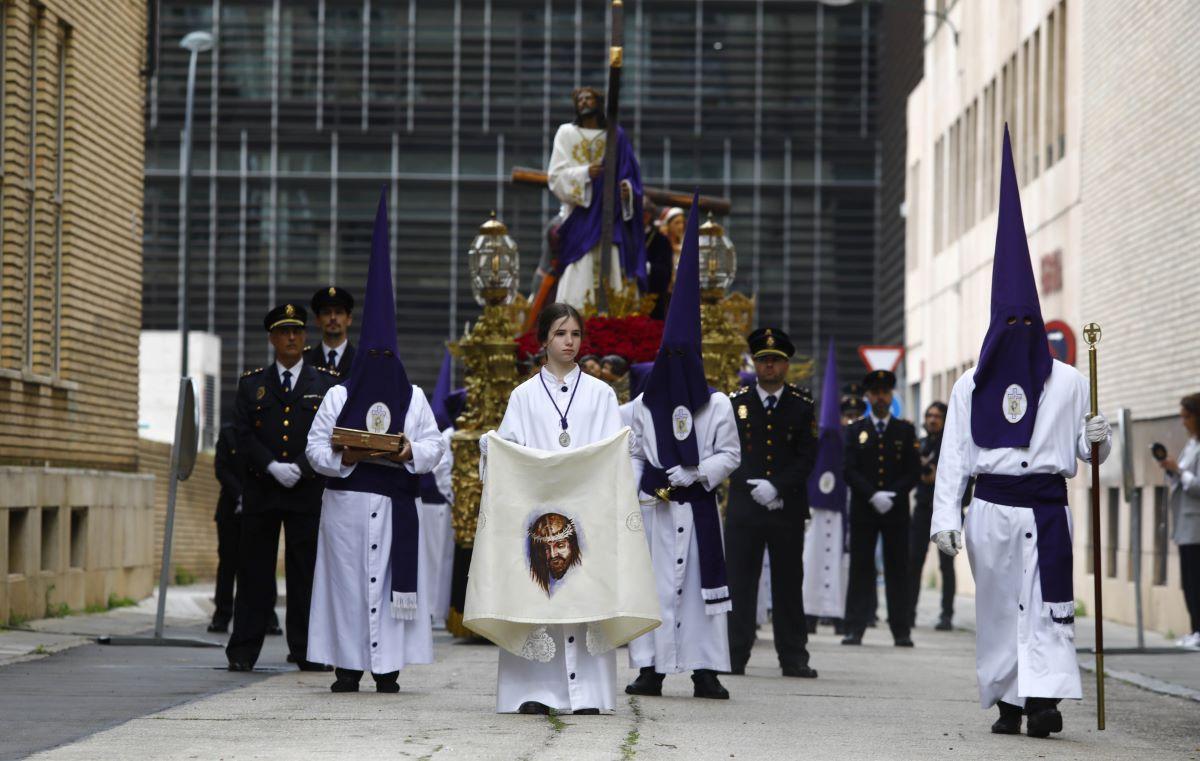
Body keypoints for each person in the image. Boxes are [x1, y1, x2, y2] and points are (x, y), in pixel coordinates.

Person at [931, 126, 1112, 738]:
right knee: (997, 608)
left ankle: (1044, 699)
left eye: (1024, 320)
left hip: (1045, 504)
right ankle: (1008, 698)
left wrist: (1099, 433)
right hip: (991, 507)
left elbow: (1090, 455)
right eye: (1006, 321)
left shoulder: (1066, 380)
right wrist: (944, 520)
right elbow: (954, 455)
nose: (1016, 328)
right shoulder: (968, 385)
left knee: (1045, 609)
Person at [305, 192, 446, 693]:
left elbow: (435, 447)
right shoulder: (340, 394)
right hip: (344, 505)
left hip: (394, 506)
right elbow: (315, 448)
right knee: (344, 587)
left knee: (390, 588)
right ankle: (346, 666)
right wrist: (343, 455)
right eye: (375, 353)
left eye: (390, 354)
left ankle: (387, 668)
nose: (382, 360)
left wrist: (409, 451)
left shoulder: (411, 396)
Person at [481, 302, 625, 714]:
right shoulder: (523, 396)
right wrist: (492, 450)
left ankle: (590, 696)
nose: (569, 342)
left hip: (587, 516)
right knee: (538, 598)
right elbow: (508, 452)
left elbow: (612, 453)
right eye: (561, 334)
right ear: (544, 338)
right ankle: (534, 692)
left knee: (584, 599)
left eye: (576, 335)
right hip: (537, 518)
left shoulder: (601, 394)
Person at [625, 200, 741, 701]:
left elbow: (730, 454)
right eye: (666, 355)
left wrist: (699, 474)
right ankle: (649, 668)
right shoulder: (641, 406)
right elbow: (630, 452)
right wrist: (642, 483)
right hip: (655, 510)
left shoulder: (715, 405)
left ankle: (705, 669)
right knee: (650, 586)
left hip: (697, 508)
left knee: (699, 591)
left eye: (682, 355)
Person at [226, 303, 340, 672]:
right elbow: (241, 436)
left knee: (305, 573)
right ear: (273, 338)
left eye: (297, 331)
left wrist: (302, 467)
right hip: (263, 489)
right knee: (254, 573)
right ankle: (243, 650)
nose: (292, 337)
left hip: (306, 489)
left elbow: (330, 434)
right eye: (284, 331)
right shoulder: (252, 384)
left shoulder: (324, 383)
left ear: (305, 337)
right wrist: (271, 465)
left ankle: (307, 650)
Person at [725, 327, 819, 678]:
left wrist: (776, 487)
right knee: (740, 584)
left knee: (788, 584)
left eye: (776, 362)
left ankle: (794, 657)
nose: (769, 367)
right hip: (745, 509)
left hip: (786, 508)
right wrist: (754, 486)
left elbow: (808, 456)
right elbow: (727, 451)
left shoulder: (801, 405)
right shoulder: (737, 403)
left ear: (786, 366)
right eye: (763, 361)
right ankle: (733, 655)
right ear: (754, 363)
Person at [841, 369, 921, 648]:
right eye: (875, 393)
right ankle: (854, 627)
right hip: (865, 509)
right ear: (867, 396)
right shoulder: (855, 430)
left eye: (885, 393)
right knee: (860, 569)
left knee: (898, 569)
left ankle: (901, 630)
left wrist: (893, 494)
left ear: (891, 395)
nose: (880, 398)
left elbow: (913, 471)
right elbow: (848, 469)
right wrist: (872, 494)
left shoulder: (905, 430)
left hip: (896, 510)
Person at [546, 87, 646, 308]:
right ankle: (574, 313)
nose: (583, 102)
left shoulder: (615, 135)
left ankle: (611, 313)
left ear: (599, 103)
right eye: (579, 99)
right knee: (578, 266)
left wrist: (626, 190)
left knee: (611, 262)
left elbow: (630, 175)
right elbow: (555, 176)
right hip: (579, 216)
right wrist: (584, 174)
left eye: (588, 98)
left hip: (610, 217)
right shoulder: (566, 133)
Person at [209, 424, 281, 636]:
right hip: (231, 509)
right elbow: (221, 468)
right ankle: (222, 616)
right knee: (228, 564)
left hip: (261, 505)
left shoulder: (267, 429)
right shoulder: (229, 432)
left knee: (264, 564)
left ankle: (269, 617)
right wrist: (240, 495)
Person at [802, 342, 848, 635]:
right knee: (813, 559)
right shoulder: (815, 446)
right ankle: (810, 612)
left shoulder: (844, 447)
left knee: (837, 561)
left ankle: (836, 612)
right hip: (814, 514)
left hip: (840, 513)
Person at [907, 402, 959, 631]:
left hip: (946, 510)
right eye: (929, 415)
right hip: (922, 508)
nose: (932, 420)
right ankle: (908, 613)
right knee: (914, 563)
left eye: (937, 416)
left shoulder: (952, 445)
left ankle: (946, 615)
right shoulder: (922, 444)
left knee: (946, 565)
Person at [1157, 393, 1200, 648]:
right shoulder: (1191, 444)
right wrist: (1172, 471)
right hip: (1185, 524)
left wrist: (1179, 471)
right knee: (1188, 580)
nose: (1183, 422)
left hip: (1196, 525)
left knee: (1196, 579)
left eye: (1186, 416)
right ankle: (1195, 629)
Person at [304, 286, 355, 375]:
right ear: (317, 320)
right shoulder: (305, 362)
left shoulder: (360, 360)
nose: (333, 318)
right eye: (326, 312)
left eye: (338, 312)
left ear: (349, 319)